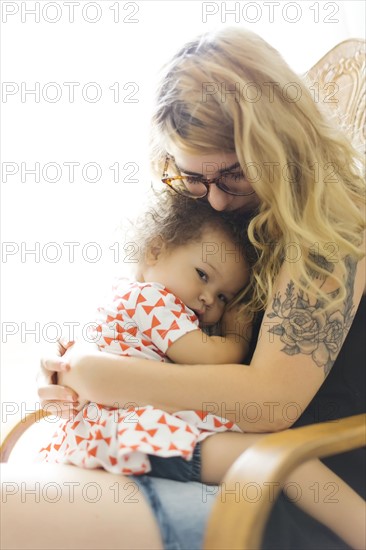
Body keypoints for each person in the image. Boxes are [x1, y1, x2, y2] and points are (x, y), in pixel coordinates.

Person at [1, 26, 365, 550]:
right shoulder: (222, 217)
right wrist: (75, 368)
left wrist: (104, 376)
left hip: (292, 483)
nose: (214, 201)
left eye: (233, 176)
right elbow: (156, 332)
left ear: (278, 146)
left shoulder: (330, 229)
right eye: (195, 177)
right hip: (205, 450)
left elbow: (273, 401)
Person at [37, 193, 252, 480]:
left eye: (224, 297)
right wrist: (238, 334)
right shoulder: (154, 300)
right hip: (120, 422)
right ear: (154, 251)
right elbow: (208, 355)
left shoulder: (123, 292)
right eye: (202, 275)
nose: (209, 299)